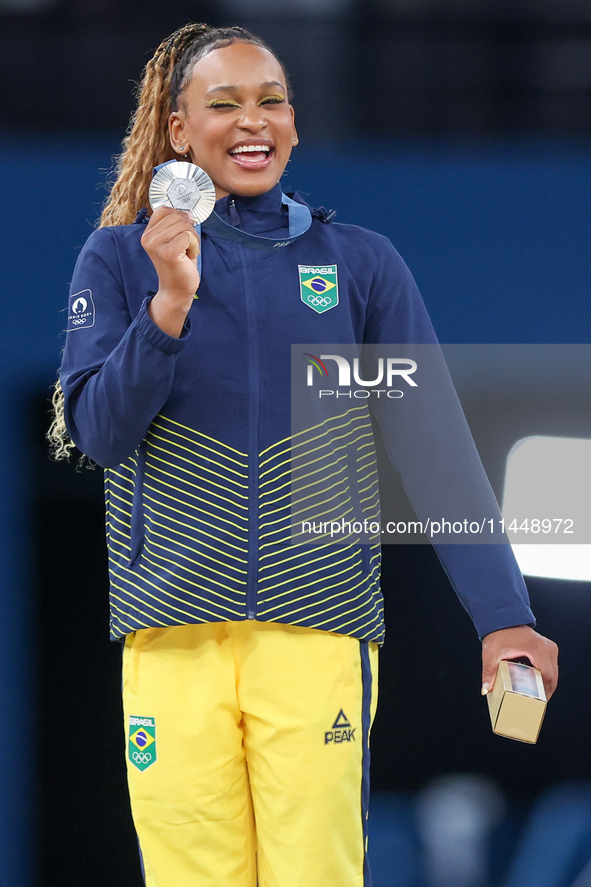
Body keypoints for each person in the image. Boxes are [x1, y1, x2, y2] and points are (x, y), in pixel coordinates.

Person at [49, 21, 559, 887]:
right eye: (225, 103)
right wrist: (168, 304)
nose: (255, 121)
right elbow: (99, 433)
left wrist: (501, 611)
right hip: (171, 634)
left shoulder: (359, 264)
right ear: (177, 131)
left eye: (272, 99)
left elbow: (432, 443)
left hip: (315, 628)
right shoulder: (119, 259)